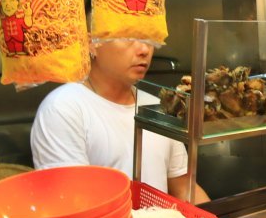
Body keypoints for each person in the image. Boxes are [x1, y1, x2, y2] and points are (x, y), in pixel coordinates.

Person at [30, 37, 209, 204]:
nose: (144, 49)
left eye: (149, 38)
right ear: (92, 43)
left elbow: (184, 186)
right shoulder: (63, 108)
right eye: (129, 37)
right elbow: (73, 203)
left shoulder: (158, 107)